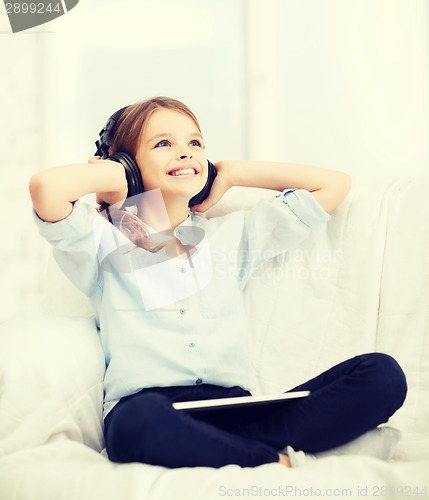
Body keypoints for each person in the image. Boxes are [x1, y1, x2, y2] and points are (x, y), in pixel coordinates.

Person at [29, 96, 407, 469]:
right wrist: (116, 176)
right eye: (163, 143)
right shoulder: (101, 242)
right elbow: (47, 188)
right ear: (124, 163)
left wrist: (231, 173)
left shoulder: (230, 237)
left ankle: (237, 449)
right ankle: (273, 461)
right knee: (135, 424)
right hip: (154, 410)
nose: (185, 153)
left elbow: (334, 186)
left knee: (382, 375)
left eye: (195, 143)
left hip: (237, 409)